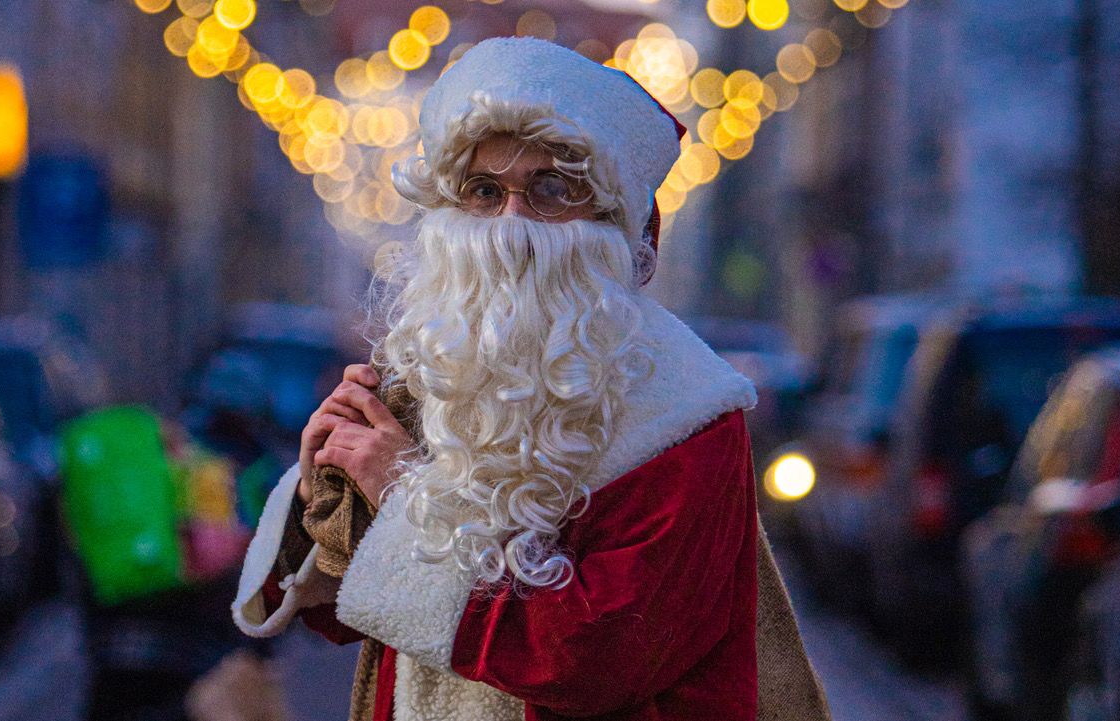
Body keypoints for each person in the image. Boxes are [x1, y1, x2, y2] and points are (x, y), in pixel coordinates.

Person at [234, 37, 824, 721]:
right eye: (484, 191)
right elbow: (351, 614)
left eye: (549, 190)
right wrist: (324, 488)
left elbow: (591, 659)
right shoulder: (438, 377)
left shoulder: (685, 415)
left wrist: (400, 490)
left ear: (613, 222)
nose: (510, 225)